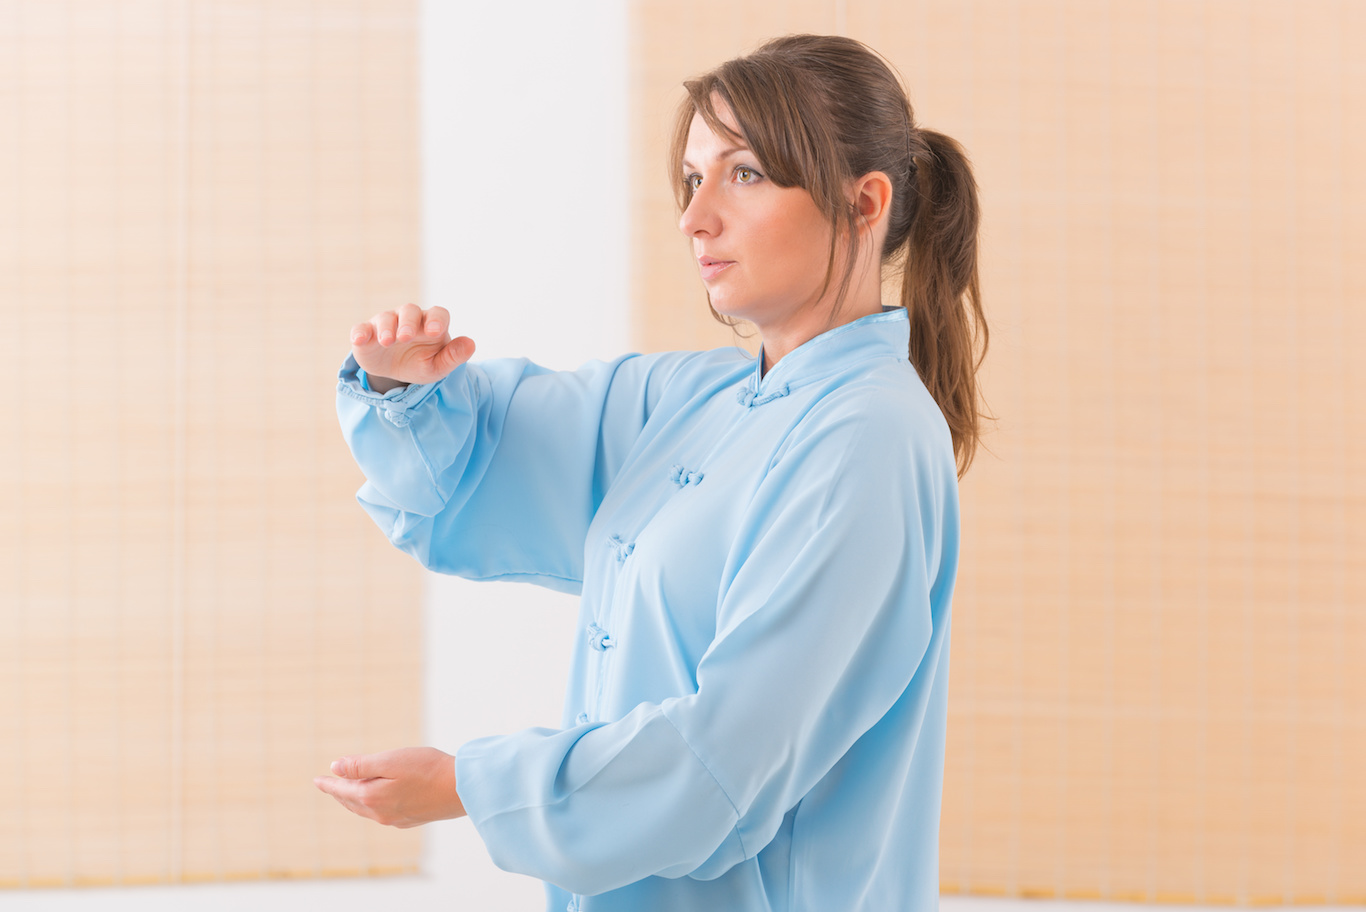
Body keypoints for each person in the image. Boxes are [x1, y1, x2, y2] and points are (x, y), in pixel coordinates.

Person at [315, 33, 986, 912]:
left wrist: (462, 784)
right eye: (691, 178)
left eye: (742, 173)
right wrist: (404, 389)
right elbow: (492, 457)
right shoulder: (696, 397)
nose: (695, 216)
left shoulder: (871, 437)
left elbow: (724, 760)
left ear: (864, 205)